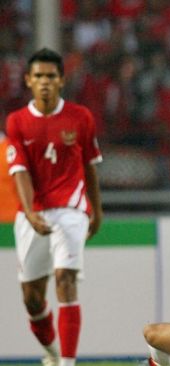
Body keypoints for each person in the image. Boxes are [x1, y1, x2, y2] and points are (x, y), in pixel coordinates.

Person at [5, 48, 103, 366]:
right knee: (32, 299)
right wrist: (30, 213)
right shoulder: (17, 122)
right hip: (32, 211)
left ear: (61, 80)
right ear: (28, 81)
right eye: (39, 76)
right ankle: (51, 353)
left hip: (71, 208)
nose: (45, 82)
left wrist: (96, 209)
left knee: (65, 279)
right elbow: (18, 169)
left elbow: (90, 166)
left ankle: (68, 364)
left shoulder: (80, 117)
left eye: (50, 76)